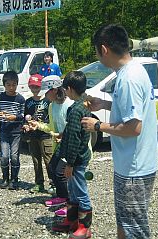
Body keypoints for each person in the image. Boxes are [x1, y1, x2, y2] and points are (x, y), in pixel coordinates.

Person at [81, 24, 158, 239]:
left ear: (104, 49)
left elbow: (134, 128)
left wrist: (97, 125)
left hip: (134, 169)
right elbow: (132, 112)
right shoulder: (134, 70)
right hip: (133, 166)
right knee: (125, 223)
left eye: (96, 51)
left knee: (135, 230)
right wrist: (104, 106)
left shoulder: (128, 79)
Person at [51, 71, 93, 239]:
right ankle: (72, 220)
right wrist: (64, 134)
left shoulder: (76, 109)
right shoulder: (85, 103)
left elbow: (76, 139)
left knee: (80, 191)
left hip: (77, 159)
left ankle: (85, 227)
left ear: (69, 88)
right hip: (78, 157)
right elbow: (74, 131)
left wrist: (70, 163)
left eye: (65, 89)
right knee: (73, 190)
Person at [29, 75, 73, 217]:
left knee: (62, 173)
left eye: (46, 92)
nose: (45, 95)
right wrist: (39, 125)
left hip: (71, 146)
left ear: (54, 90)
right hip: (59, 145)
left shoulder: (69, 105)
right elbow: (51, 127)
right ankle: (61, 197)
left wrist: (64, 138)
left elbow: (74, 129)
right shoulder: (52, 106)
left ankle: (69, 203)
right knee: (53, 167)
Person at [0, 70, 25, 190]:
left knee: (14, 156)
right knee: (4, 156)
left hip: (16, 132)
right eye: (8, 85)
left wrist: (14, 117)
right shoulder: (0, 97)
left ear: (17, 84)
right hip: (4, 130)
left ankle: (14, 179)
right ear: (4, 85)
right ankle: (5, 178)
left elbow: (22, 115)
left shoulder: (20, 99)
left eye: (14, 84)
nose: (11, 87)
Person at [22, 74, 52, 193]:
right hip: (32, 135)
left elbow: (51, 118)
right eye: (32, 86)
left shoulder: (48, 101)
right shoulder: (28, 101)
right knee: (36, 160)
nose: (35, 89)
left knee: (48, 160)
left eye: (37, 86)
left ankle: (53, 183)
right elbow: (25, 118)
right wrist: (25, 125)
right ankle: (39, 183)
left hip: (45, 134)